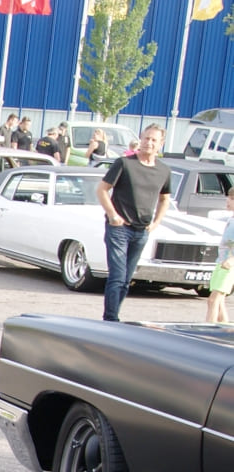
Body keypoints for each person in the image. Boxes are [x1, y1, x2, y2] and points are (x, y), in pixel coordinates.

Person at [95, 124, 172, 323]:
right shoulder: (124, 163)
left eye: (154, 140)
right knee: (118, 277)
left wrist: (156, 223)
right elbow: (102, 190)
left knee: (127, 280)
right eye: (146, 138)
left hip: (141, 230)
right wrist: (112, 215)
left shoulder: (163, 170)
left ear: (161, 144)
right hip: (119, 229)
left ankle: (114, 315)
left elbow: (165, 198)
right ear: (141, 139)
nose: (149, 143)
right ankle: (111, 319)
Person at [205, 190, 234, 324]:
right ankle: (226, 328)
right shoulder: (231, 219)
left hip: (229, 265)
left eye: (232, 199)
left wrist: (231, 259)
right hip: (221, 263)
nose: (228, 201)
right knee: (220, 301)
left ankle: (208, 330)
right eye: (229, 198)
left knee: (213, 300)